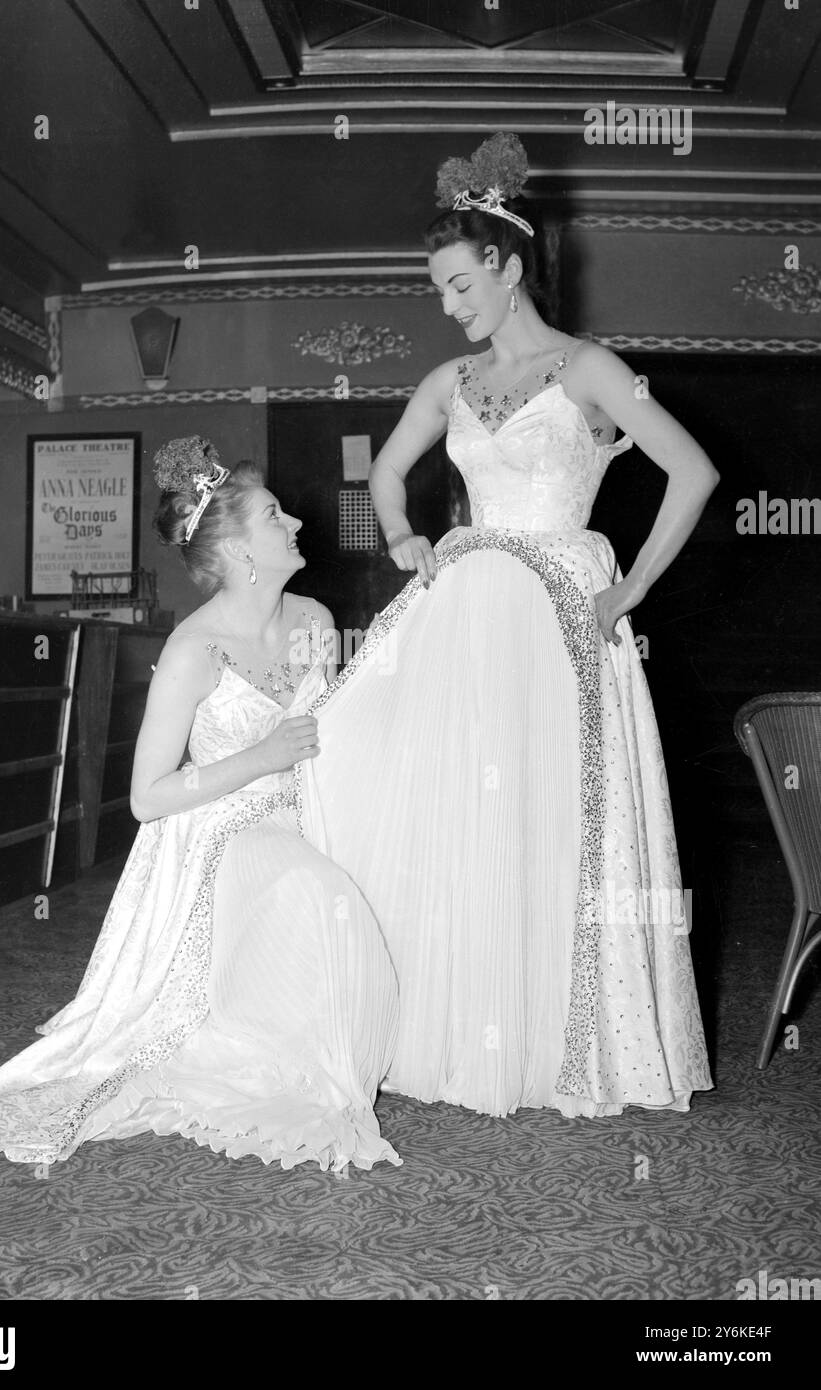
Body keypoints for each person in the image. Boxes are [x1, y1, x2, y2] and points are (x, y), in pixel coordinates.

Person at [298, 133, 716, 1118]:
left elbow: (693, 473)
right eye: (439, 290)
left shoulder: (588, 369)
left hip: (562, 613)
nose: (447, 306)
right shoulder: (449, 384)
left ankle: (558, 1033)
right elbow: (386, 472)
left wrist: (633, 589)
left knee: (558, 809)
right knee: (452, 804)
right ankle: (455, 1022)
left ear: (506, 265)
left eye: (456, 284)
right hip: (470, 604)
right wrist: (403, 536)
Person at [0, 438, 400, 1173]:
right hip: (220, 827)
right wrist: (259, 758)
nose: (297, 525)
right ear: (242, 552)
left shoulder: (316, 618)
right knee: (321, 895)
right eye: (275, 516)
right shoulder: (192, 649)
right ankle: (300, 1063)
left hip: (310, 808)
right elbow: (148, 797)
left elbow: (332, 737)